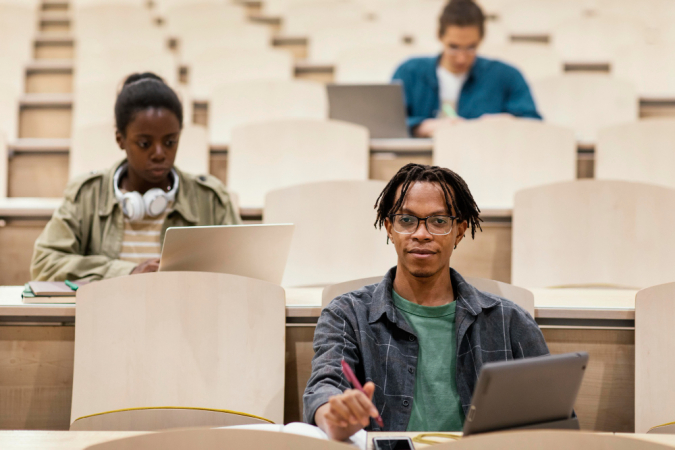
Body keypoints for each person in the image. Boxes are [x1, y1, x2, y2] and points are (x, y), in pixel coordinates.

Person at [303, 163, 549, 440]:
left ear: (459, 231)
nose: (421, 233)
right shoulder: (346, 314)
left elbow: (552, 417)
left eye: (439, 221)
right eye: (407, 220)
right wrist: (333, 416)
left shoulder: (509, 321)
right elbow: (324, 388)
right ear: (389, 228)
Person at [30, 73, 240, 281]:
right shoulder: (87, 196)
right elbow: (45, 263)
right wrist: (125, 272)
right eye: (144, 144)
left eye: (170, 142)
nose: (159, 154)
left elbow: (242, 268)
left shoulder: (211, 199)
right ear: (120, 139)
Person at [392, 0, 541, 137]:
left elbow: (535, 126)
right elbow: (386, 123)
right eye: (453, 47)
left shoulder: (507, 76)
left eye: (471, 47)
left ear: (482, 38)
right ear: (439, 35)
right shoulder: (409, 72)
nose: (461, 58)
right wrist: (421, 127)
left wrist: (509, 122)